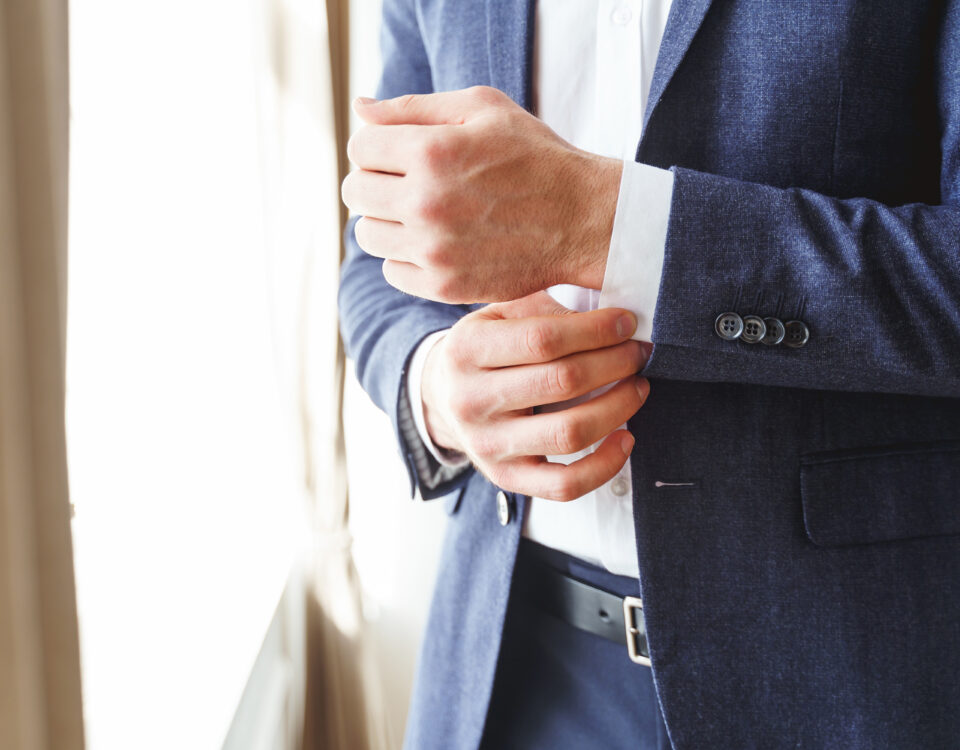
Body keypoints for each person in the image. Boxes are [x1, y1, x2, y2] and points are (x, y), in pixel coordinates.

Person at [338, 0, 960, 747]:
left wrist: (605, 223)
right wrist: (435, 384)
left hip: (844, 672)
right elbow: (378, 245)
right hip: (508, 667)